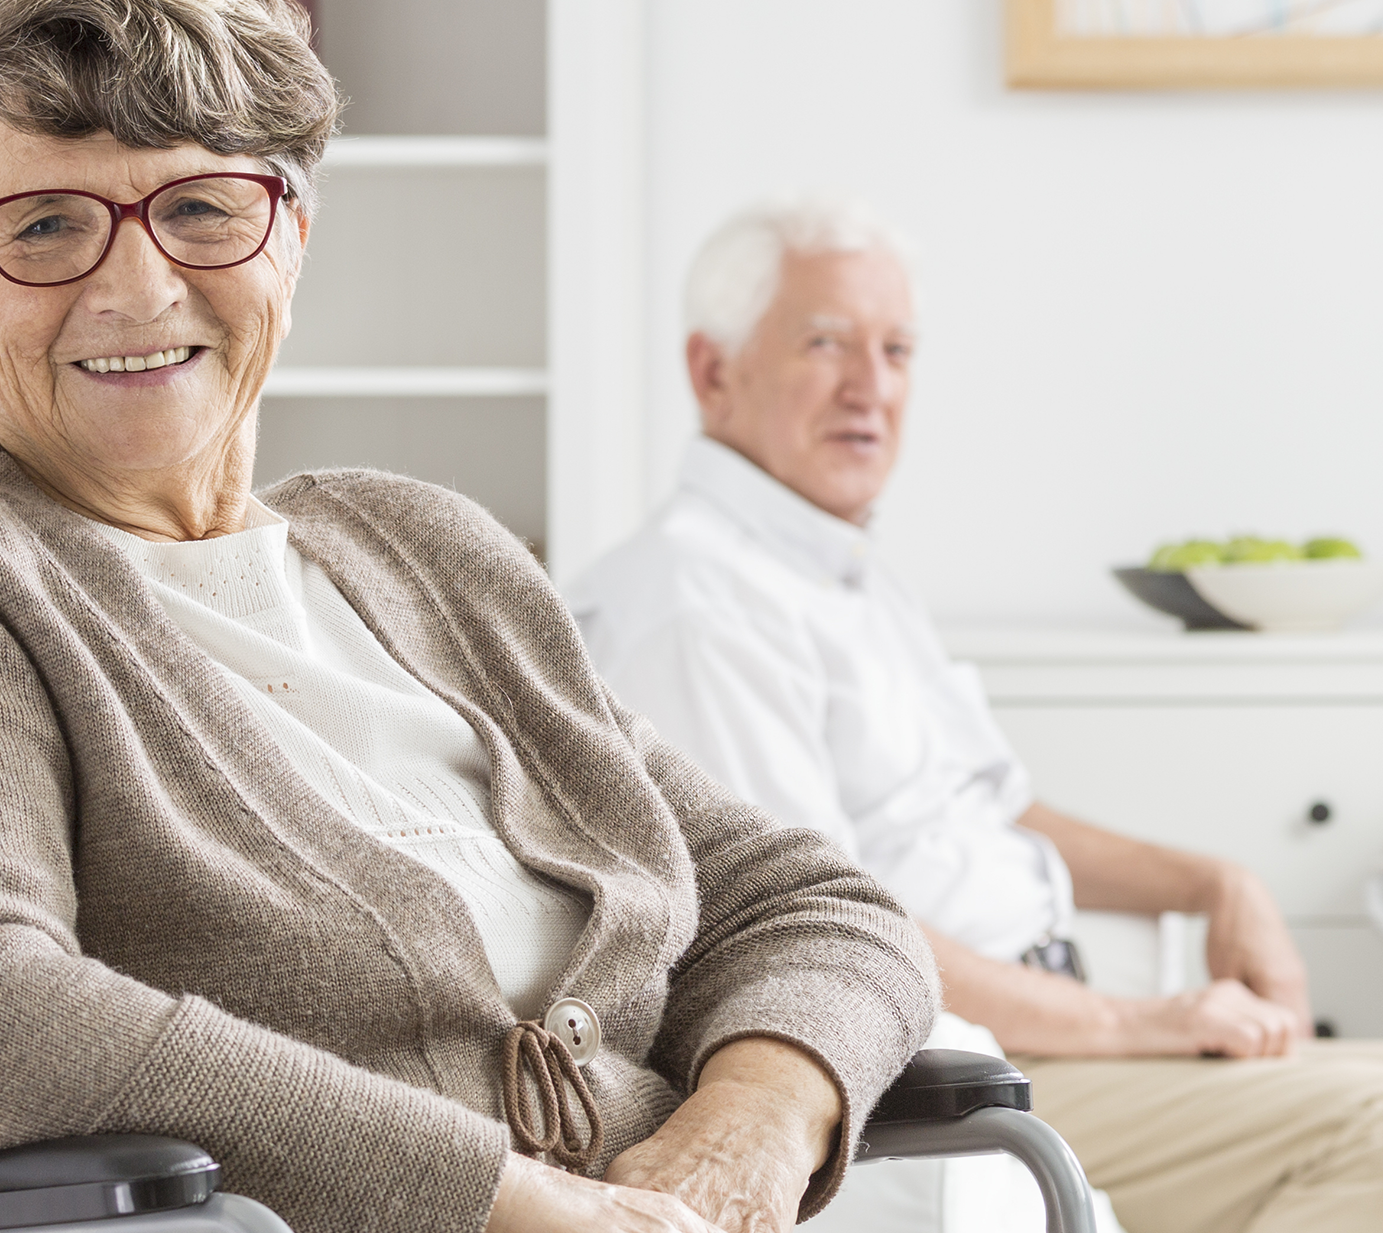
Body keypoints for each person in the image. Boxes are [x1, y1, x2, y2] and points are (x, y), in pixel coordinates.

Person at [0, 0, 939, 1233]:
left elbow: (812, 903)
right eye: (44, 224)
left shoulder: (426, 554)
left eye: (202, 208)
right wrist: (507, 1201)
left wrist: (747, 1135)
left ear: (290, 242)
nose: (138, 282)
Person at [571, 193, 1383, 1233]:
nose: (872, 386)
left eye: (897, 349)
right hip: (953, 1064)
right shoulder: (692, 606)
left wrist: (1213, 880)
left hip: (1058, 1022)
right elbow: (816, 936)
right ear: (711, 371)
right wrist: (1141, 1022)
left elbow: (999, 809)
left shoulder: (833, 562)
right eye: (825, 342)